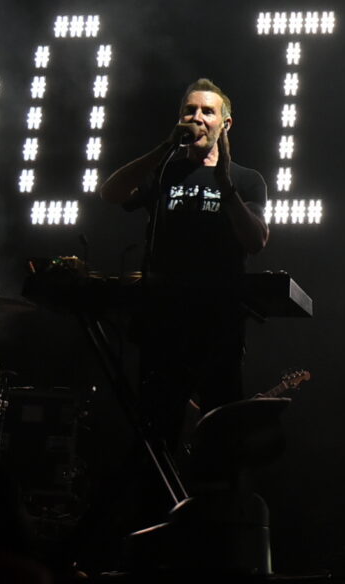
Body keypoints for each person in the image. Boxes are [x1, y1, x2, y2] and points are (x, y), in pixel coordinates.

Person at [99, 78, 269, 457]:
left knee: (221, 436)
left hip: (219, 323)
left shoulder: (246, 180)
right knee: (155, 433)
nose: (197, 118)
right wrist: (164, 148)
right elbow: (110, 193)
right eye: (190, 111)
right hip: (163, 321)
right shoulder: (164, 172)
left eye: (208, 111)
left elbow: (256, 240)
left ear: (225, 123)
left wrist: (225, 186)